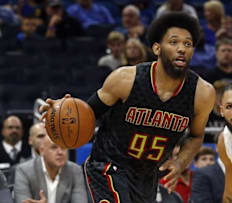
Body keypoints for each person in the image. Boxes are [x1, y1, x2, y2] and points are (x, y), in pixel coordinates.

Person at [40, 12, 215, 203]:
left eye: (188, 44)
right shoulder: (125, 79)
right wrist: (61, 112)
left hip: (147, 175)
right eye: (174, 42)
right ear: (157, 48)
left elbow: (196, 136)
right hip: (108, 166)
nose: (182, 48)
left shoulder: (202, 93)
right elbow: (87, 113)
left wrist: (181, 162)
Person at [14, 136, 88, 203]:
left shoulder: (75, 171)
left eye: (63, 147)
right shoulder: (24, 171)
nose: (60, 152)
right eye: (54, 147)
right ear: (42, 151)